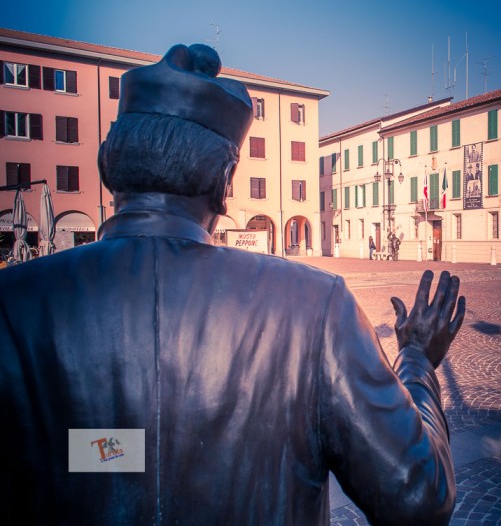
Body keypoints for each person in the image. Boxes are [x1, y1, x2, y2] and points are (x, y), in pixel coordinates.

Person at [0, 43, 465, 525]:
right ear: (224, 181)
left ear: (105, 164)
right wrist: (415, 359)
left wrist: (102, 452)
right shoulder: (316, 305)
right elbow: (417, 497)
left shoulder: (13, 304)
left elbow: (108, 451)